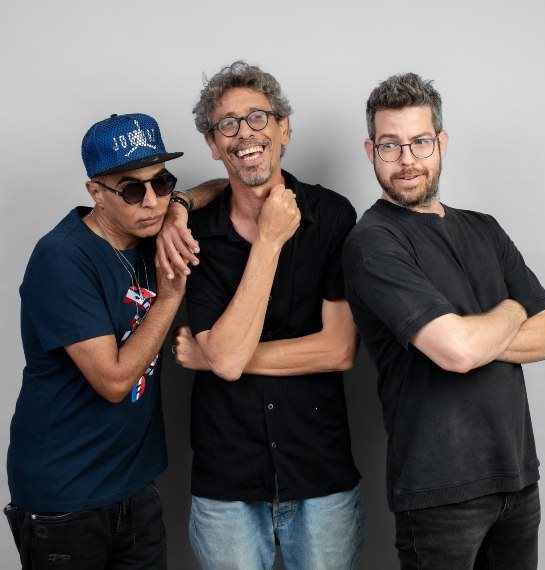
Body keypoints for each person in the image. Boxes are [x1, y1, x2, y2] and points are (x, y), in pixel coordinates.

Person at [342, 73, 545, 569]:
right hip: (439, 492)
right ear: (371, 151)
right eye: (390, 145)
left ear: (440, 143)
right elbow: (457, 352)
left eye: (420, 142)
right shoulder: (373, 242)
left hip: (517, 478)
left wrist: (470, 334)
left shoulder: (485, 229)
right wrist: (514, 309)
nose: (407, 160)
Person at [167, 61, 364, 569]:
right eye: (227, 124)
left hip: (319, 473)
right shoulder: (194, 235)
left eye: (258, 117)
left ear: (284, 128)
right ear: (213, 145)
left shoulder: (332, 216)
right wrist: (270, 242)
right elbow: (228, 357)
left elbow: (338, 349)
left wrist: (215, 358)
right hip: (227, 480)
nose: (244, 134)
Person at [4, 112, 219, 569]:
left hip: (134, 483)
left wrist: (179, 206)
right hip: (66, 495)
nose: (151, 202)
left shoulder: (152, 230)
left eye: (161, 182)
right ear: (96, 193)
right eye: (131, 189)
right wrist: (170, 297)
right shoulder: (62, 258)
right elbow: (115, 382)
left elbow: (221, 186)